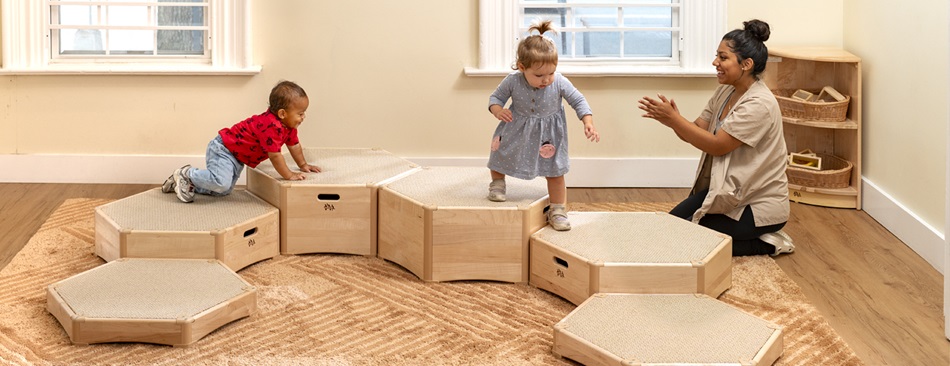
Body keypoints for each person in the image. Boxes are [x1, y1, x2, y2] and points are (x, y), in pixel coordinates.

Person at [637, 19, 794, 256]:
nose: (715, 63)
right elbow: (697, 131)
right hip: (729, 192)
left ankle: (768, 243)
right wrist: (672, 120)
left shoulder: (759, 104)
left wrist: (673, 120)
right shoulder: (726, 90)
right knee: (668, 229)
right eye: (716, 56)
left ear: (746, 64)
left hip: (758, 204)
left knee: (689, 240)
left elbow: (719, 146)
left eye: (723, 57)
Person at [486, 20, 600, 231]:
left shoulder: (559, 82)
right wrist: (498, 110)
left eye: (551, 73)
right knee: (500, 153)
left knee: (555, 171)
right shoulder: (513, 81)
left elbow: (578, 100)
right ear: (522, 67)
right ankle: (498, 184)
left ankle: (557, 209)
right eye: (539, 75)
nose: (546, 80)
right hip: (515, 128)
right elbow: (495, 98)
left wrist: (588, 121)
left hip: (549, 136)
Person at [162, 80, 321, 203]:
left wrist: (303, 165)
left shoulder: (288, 127)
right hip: (224, 149)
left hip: (237, 157)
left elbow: (295, 145)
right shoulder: (271, 126)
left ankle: (186, 183)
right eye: (300, 113)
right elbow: (275, 156)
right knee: (221, 183)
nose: (303, 117)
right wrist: (289, 175)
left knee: (223, 191)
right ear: (282, 113)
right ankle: (186, 173)